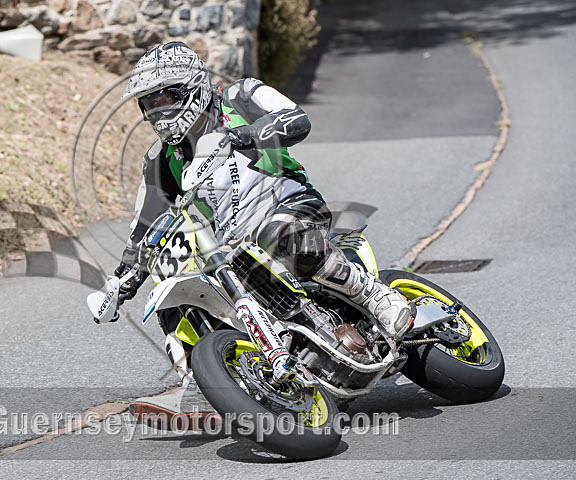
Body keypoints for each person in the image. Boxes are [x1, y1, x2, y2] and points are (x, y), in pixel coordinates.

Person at [110, 42, 413, 418]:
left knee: (277, 234)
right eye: (150, 104)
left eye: (166, 99)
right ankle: (201, 383)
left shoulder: (241, 96)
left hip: (291, 206)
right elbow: (144, 225)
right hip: (234, 251)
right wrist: (124, 277)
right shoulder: (160, 160)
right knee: (173, 293)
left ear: (193, 87)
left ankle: (374, 295)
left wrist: (243, 136)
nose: (159, 112)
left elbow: (296, 119)